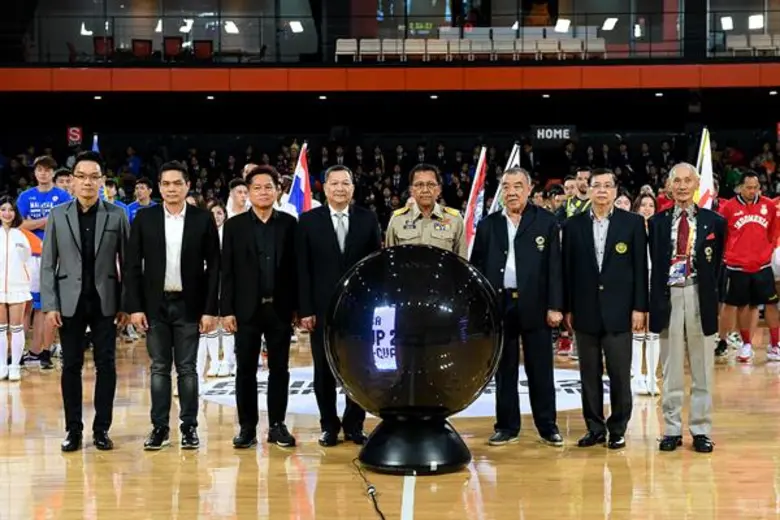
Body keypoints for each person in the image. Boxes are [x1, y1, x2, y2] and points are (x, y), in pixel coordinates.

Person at [124, 161, 220, 451]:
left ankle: (189, 428)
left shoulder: (202, 219)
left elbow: (214, 267)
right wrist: (135, 307)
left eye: (177, 183)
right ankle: (160, 428)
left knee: (188, 369)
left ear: (188, 185)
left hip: (190, 304)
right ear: (159, 187)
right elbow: (132, 266)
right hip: (155, 305)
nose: (171, 189)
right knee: (159, 368)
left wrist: (210, 309)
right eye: (166, 184)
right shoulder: (145, 218)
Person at [40, 151, 129, 452]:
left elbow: (127, 263)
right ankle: (73, 430)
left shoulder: (117, 214)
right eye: (81, 176)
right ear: (72, 181)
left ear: (102, 181)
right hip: (69, 302)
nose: (87, 182)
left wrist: (126, 304)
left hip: (106, 302)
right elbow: (48, 263)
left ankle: (101, 429)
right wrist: (50, 305)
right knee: (71, 366)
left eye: (94, 177)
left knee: (107, 365)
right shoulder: (57, 215)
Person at [470, 167, 564, 447]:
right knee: (504, 369)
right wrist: (482, 308)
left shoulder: (546, 222)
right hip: (499, 305)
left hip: (536, 305)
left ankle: (547, 426)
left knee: (541, 368)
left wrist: (555, 306)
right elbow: (477, 268)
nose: (511, 192)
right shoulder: (488, 225)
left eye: (517, 186)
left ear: (529, 189)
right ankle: (506, 426)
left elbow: (555, 268)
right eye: (506, 186)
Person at [296, 165, 382, 447]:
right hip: (321, 310)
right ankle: (328, 426)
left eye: (345, 183)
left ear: (353, 188)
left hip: (359, 309)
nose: (340, 188)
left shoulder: (368, 219)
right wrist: (305, 309)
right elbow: (302, 269)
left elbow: (375, 266)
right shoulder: (308, 221)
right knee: (323, 370)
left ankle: (354, 425)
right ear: (325, 188)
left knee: (358, 368)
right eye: (334, 183)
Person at [562, 168, 648, 450]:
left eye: (607, 185)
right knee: (589, 374)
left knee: (620, 374)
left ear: (615, 191)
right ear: (588, 189)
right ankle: (595, 427)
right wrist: (568, 307)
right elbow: (567, 271)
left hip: (620, 311)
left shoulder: (633, 223)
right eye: (596, 185)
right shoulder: (572, 225)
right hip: (584, 310)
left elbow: (640, 269)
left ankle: (618, 427)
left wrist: (639, 307)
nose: (601, 190)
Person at [648, 163, 726, 453]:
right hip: (668, 296)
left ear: (696, 185)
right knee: (671, 369)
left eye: (687, 181)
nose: (682, 186)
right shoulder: (656, 223)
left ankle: (701, 429)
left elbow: (717, 265)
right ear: (669, 186)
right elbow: (655, 265)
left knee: (702, 368)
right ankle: (671, 429)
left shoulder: (714, 221)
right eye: (677, 181)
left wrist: (711, 297)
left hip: (698, 294)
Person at [221, 165, 299, 449]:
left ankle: (277, 425)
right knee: (245, 371)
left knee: (280, 369)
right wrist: (226, 310)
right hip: (246, 310)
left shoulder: (290, 224)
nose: (263, 192)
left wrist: (298, 307)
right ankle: (247, 427)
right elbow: (227, 271)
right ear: (248, 192)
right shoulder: (234, 226)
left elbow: (296, 269)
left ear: (277, 190)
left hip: (280, 309)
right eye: (257, 188)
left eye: (269, 187)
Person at [718, 171, 780, 363]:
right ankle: (746, 345)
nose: (752, 191)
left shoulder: (768, 205)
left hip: (762, 265)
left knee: (771, 304)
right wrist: (730, 254)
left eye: (755, 187)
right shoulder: (728, 207)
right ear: (740, 188)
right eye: (748, 188)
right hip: (737, 267)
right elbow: (722, 234)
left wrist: (767, 250)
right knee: (744, 305)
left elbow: (773, 231)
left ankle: (775, 345)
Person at [18, 155, 72, 370]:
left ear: (53, 173)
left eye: (47, 170)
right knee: (26, 305)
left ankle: (40, 351)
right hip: (29, 255)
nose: (43, 173)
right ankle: (20, 352)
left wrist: (35, 223)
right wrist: (47, 220)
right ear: (35, 172)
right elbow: (20, 225)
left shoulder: (63, 196)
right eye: (40, 169)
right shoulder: (25, 196)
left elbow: (65, 223)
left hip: (55, 255)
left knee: (46, 306)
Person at [385, 163, 466, 257]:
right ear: (411, 190)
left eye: (431, 185)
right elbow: (389, 259)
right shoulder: (397, 220)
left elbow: (462, 261)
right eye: (419, 185)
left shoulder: (454, 219)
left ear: (439, 189)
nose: (425, 190)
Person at [0, 196, 35, 382]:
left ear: (15, 213)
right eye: (3, 209)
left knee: (16, 327)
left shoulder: (22, 235)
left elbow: (28, 261)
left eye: (11, 210)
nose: (7, 213)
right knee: (0, 328)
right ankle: (2, 365)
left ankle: (15, 366)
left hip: (18, 286)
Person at [631, 192, 661, 396]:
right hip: (635, 283)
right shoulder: (630, 229)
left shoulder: (660, 230)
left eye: (651, 205)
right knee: (637, 330)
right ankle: (636, 376)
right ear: (636, 208)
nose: (647, 209)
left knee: (653, 332)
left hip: (655, 283)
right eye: (643, 205)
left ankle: (651, 377)